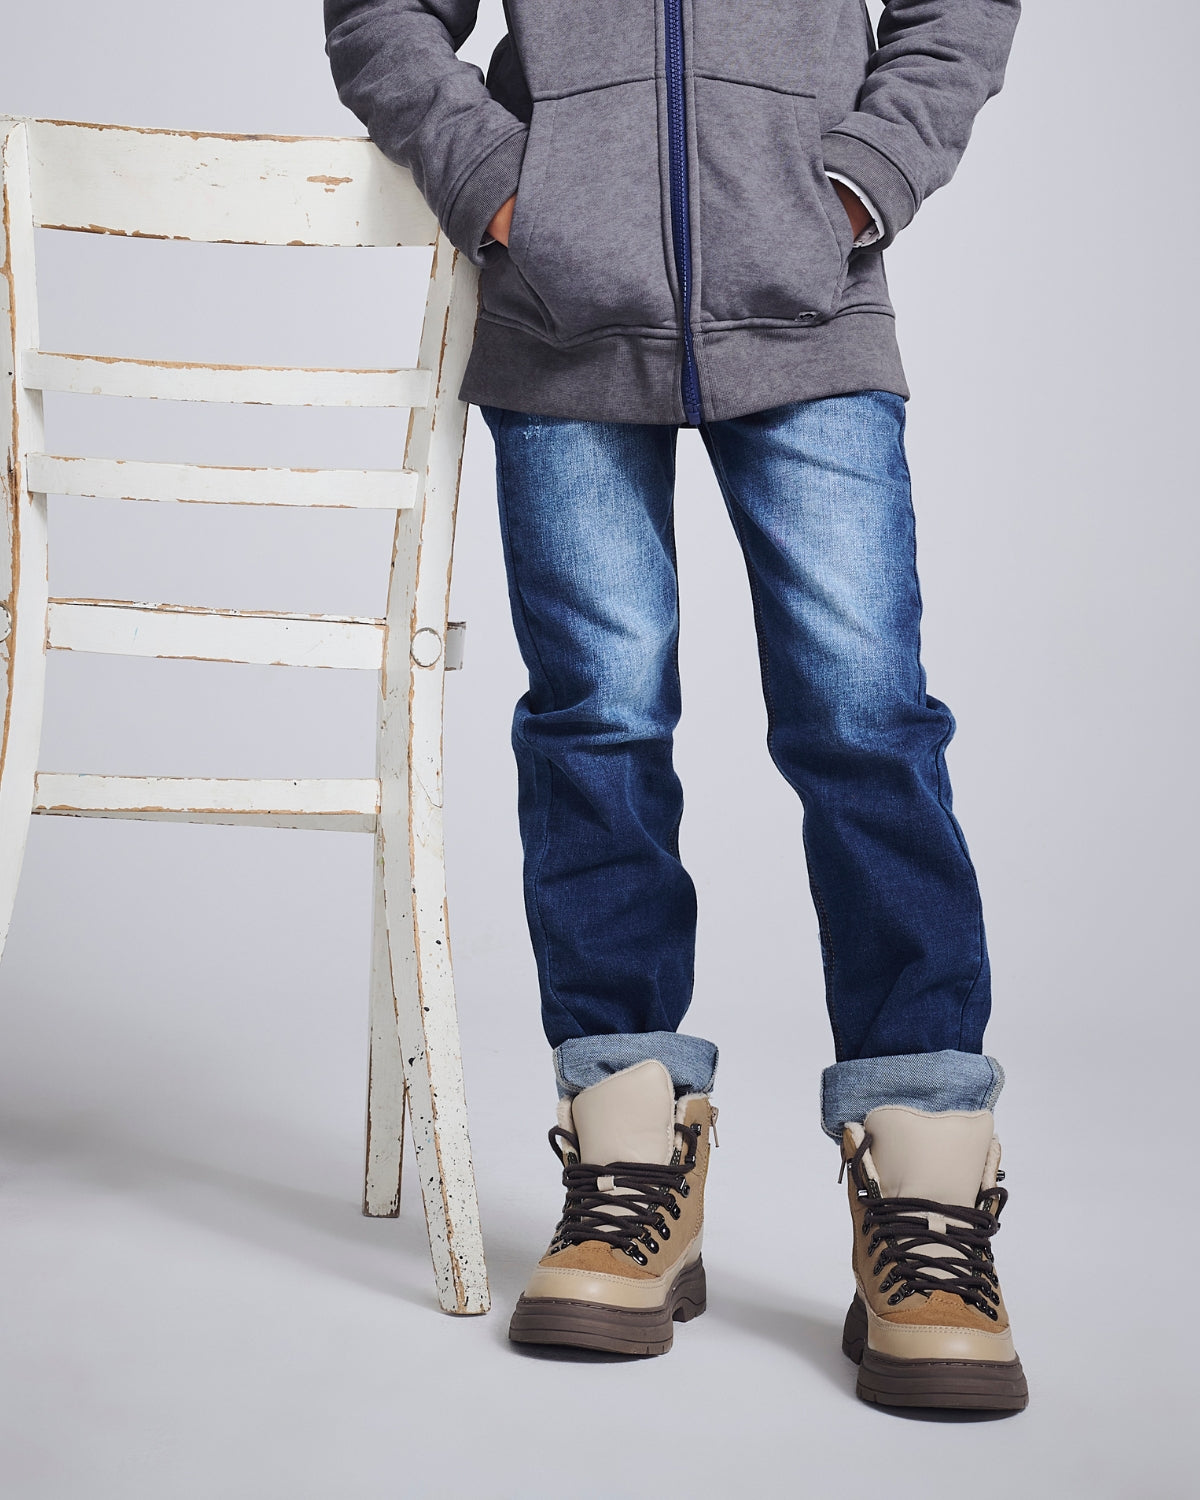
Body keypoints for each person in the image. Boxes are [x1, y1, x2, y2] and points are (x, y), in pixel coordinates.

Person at [324, 0, 1025, 1411]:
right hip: (563, 322)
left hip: (814, 310)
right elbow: (381, 14)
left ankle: (929, 1201)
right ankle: (631, 1158)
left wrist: (861, 181)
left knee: (866, 724)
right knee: (597, 720)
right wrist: (503, 186)